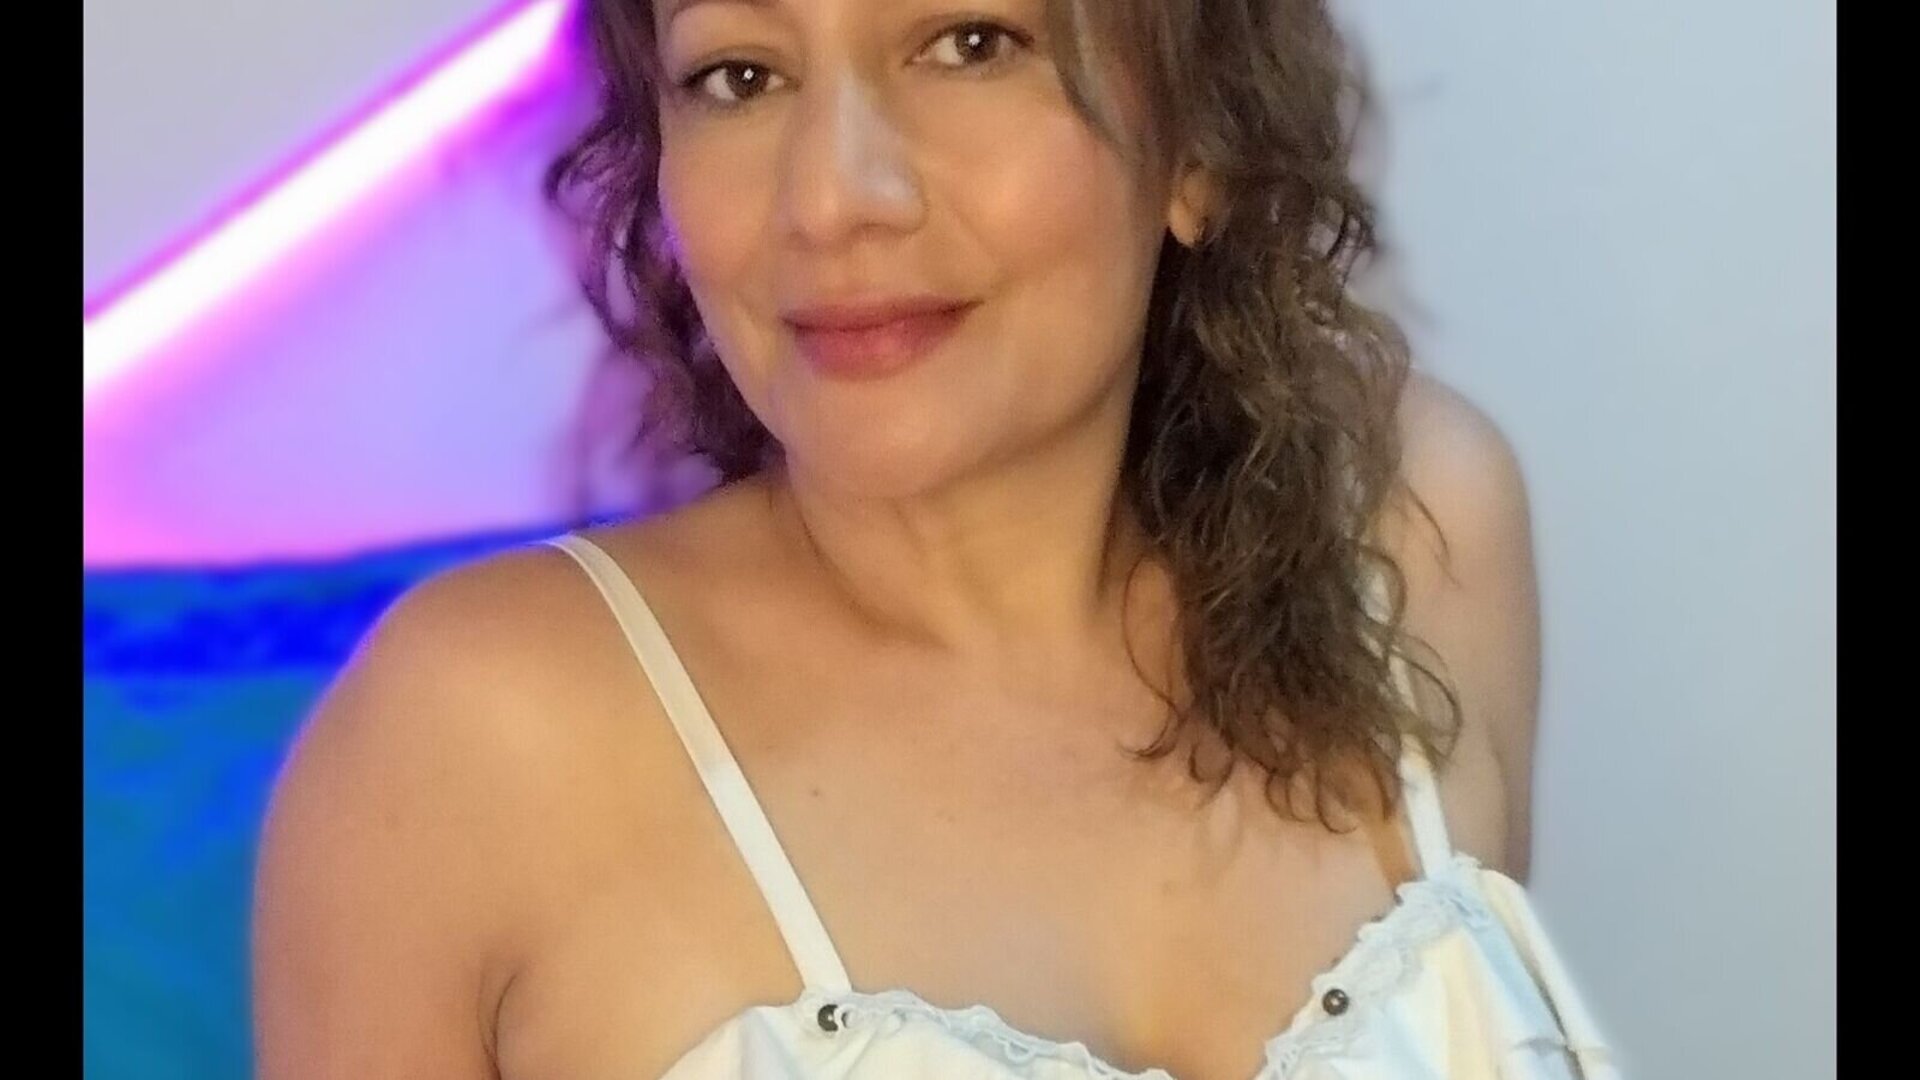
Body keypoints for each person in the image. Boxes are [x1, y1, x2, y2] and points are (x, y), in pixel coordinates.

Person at [254, 1, 1618, 1076]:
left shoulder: (1411, 531)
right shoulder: (469, 747)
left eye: (971, 43)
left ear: (1197, 139)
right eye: (739, 74)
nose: (833, 197)